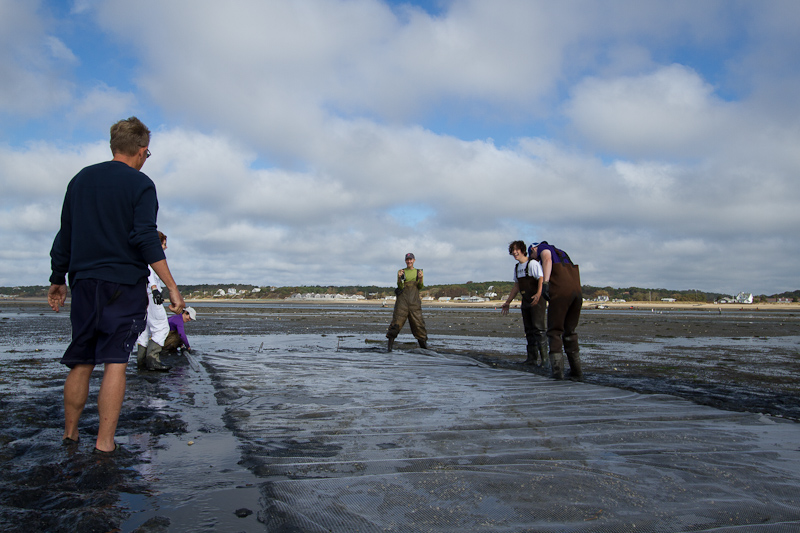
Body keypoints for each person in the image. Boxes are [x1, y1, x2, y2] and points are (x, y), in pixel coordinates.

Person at [48, 116, 184, 454]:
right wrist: (172, 287)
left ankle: (70, 434)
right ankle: (104, 443)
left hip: (83, 282)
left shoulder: (80, 180)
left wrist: (57, 278)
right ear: (141, 151)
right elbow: (145, 238)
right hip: (123, 283)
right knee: (115, 363)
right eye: (147, 155)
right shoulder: (140, 184)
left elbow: (65, 234)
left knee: (81, 361)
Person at [528, 241, 583, 381]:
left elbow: (546, 258)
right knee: (570, 331)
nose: (535, 259)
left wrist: (546, 283)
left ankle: (557, 373)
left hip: (561, 292)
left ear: (534, 248)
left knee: (554, 331)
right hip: (576, 293)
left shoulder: (543, 248)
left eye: (533, 256)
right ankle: (577, 372)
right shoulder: (562, 253)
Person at [500, 241, 548, 368]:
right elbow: (516, 286)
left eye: (516, 250)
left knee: (539, 329)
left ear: (522, 250)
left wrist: (538, 294)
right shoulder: (517, 267)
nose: (514, 252)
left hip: (537, 301)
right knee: (528, 329)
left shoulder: (533, 264)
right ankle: (531, 359)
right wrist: (508, 302)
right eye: (512, 250)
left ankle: (545, 361)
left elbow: (541, 278)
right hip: (525, 301)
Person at [135, 231, 171, 372]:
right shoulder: (151, 256)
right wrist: (155, 289)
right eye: (164, 244)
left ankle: (141, 361)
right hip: (151, 293)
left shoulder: (140, 253)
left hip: (142, 294)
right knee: (162, 326)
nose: (166, 247)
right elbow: (149, 271)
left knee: (144, 328)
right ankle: (153, 359)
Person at [386, 253, 428, 351]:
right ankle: (389, 349)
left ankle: (425, 349)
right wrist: (399, 278)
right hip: (402, 303)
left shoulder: (419, 272)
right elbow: (400, 287)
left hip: (414, 303)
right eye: (407, 260)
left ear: (414, 260)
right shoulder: (401, 271)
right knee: (396, 324)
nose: (409, 261)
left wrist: (421, 278)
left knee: (419, 325)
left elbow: (420, 287)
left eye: (411, 259)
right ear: (405, 261)